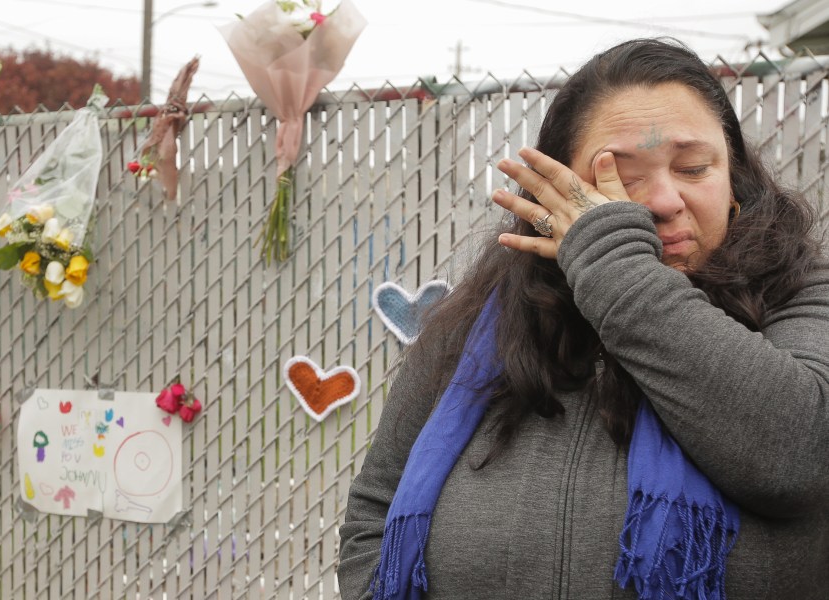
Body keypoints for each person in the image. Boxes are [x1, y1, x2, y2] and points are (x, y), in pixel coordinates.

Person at [337, 37, 829, 599]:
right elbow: (374, 511)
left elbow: (799, 458)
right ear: (553, 189)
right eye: (622, 176)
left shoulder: (801, 296)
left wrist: (613, 266)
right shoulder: (476, 325)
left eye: (693, 167)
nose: (664, 199)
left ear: (734, 176)